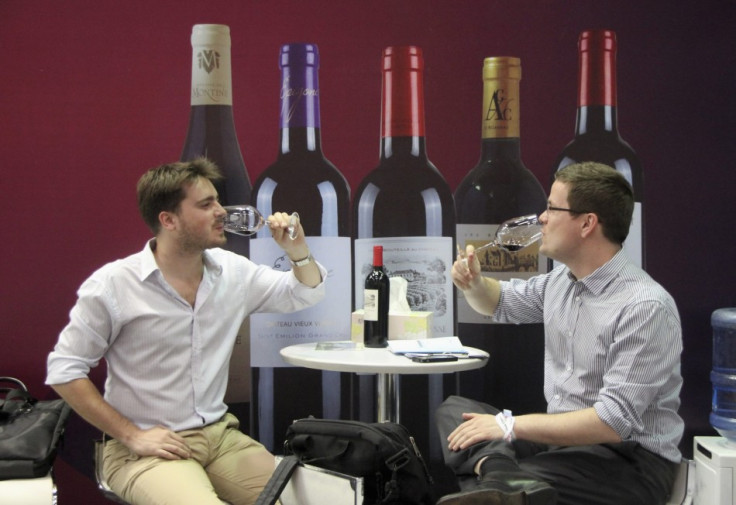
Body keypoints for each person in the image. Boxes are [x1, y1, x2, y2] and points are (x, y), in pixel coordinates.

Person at [46, 158, 327, 505]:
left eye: (218, 201)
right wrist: (132, 435)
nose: (221, 212)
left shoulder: (232, 271)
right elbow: (64, 370)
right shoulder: (113, 285)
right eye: (206, 205)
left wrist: (297, 251)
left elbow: (305, 292)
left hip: (220, 437)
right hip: (147, 449)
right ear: (169, 220)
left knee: (309, 500)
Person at [437, 162, 683, 505]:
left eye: (552, 208)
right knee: (456, 411)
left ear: (587, 223)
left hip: (629, 461)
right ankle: (504, 479)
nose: (542, 218)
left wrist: (510, 427)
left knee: (489, 454)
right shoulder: (560, 282)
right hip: (564, 446)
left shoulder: (645, 306)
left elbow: (611, 423)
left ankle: (502, 482)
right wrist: (474, 283)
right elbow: (499, 303)